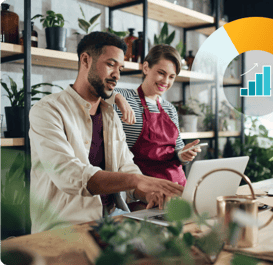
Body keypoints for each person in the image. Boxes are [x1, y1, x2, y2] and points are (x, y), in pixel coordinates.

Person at [29, 32, 183, 234]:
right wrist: (138, 180)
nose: (117, 75)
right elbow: (68, 174)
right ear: (86, 60)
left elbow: (126, 166)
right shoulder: (48, 110)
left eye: (120, 68)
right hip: (62, 231)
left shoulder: (110, 115)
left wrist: (148, 193)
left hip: (110, 225)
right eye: (111, 64)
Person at [107, 44, 201, 187]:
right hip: (143, 188)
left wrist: (184, 154)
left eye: (171, 77)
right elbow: (94, 92)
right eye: (161, 73)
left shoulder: (169, 109)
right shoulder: (124, 97)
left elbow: (177, 151)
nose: (165, 81)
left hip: (177, 186)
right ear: (146, 68)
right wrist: (117, 98)